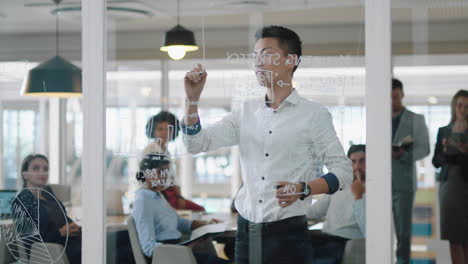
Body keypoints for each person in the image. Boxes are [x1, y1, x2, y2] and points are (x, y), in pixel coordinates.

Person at [182, 25, 352, 264]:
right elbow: (196, 144)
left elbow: (344, 172)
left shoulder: (314, 115)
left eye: (266, 54)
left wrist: (303, 189)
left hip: (288, 235)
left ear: (291, 60)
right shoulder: (245, 112)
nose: (258, 62)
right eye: (255, 56)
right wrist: (192, 101)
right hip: (246, 232)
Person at [131, 153, 229, 264]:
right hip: (170, 257)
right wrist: (182, 249)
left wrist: (206, 224)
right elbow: (149, 248)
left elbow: (179, 222)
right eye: (160, 172)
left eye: (166, 172)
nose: (165, 176)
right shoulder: (143, 201)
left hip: (178, 249)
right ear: (146, 173)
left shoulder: (158, 196)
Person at [11, 154, 81, 264]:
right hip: (55, 251)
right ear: (25, 175)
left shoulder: (48, 193)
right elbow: (29, 240)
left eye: (45, 169)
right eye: (36, 168)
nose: (42, 172)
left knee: (115, 238)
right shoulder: (21, 201)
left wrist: (75, 227)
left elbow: (63, 218)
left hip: (71, 242)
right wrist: (60, 233)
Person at [391, 78, 430, 264]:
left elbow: (425, 148)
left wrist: (403, 155)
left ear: (402, 95)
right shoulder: (377, 118)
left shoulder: (416, 119)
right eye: (389, 97)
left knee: (403, 233)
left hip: (404, 181)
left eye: (395, 97)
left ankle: (402, 261)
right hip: (379, 182)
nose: (392, 101)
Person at [307, 144, 366, 264]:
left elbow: (366, 226)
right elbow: (316, 211)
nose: (357, 167)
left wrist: (359, 196)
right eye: (353, 162)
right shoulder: (341, 184)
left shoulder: (374, 190)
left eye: (362, 161)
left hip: (346, 241)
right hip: (326, 238)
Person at [432, 90, 468, 264]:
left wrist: (463, 152)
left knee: (466, 238)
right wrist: (447, 153)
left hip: (465, 185)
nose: (462, 110)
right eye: (459, 105)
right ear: (454, 107)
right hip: (449, 187)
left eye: (466, 106)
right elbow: (436, 161)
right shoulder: (443, 131)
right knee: (453, 237)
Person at [144, 111, 205, 211]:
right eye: (160, 129)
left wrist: (179, 196)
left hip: (170, 194)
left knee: (199, 210)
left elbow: (171, 177)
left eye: (168, 129)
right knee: (197, 211)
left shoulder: (166, 150)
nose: (164, 133)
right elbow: (152, 180)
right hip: (160, 195)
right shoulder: (151, 150)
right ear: (153, 131)